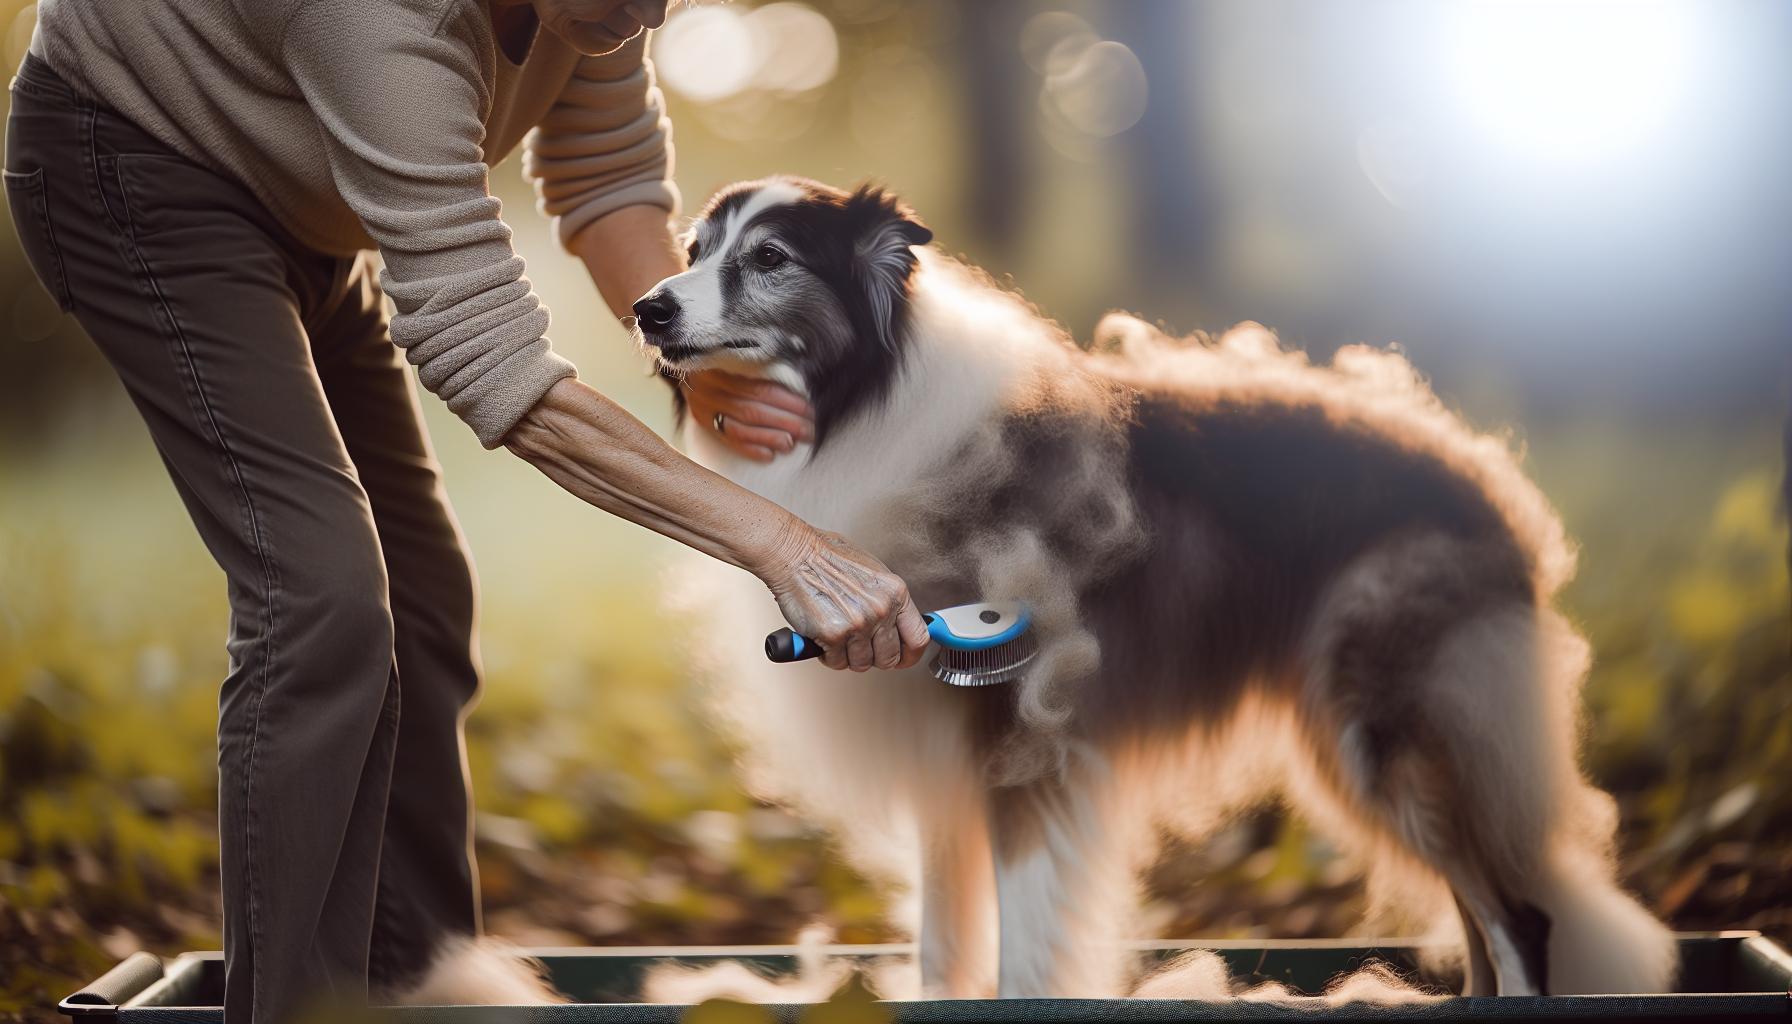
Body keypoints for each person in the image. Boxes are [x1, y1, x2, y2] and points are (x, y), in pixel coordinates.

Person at [3, 0, 930, 1019]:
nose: (656, 10)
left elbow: (606, 173)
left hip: (303, 200)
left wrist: (692, 367)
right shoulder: (376, 20)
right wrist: (783, 545)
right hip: (139, 165)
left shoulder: (597, 12)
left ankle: (422, 990)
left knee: (423, 601)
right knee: (323, 598)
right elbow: (491, 363)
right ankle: (294, 1007)